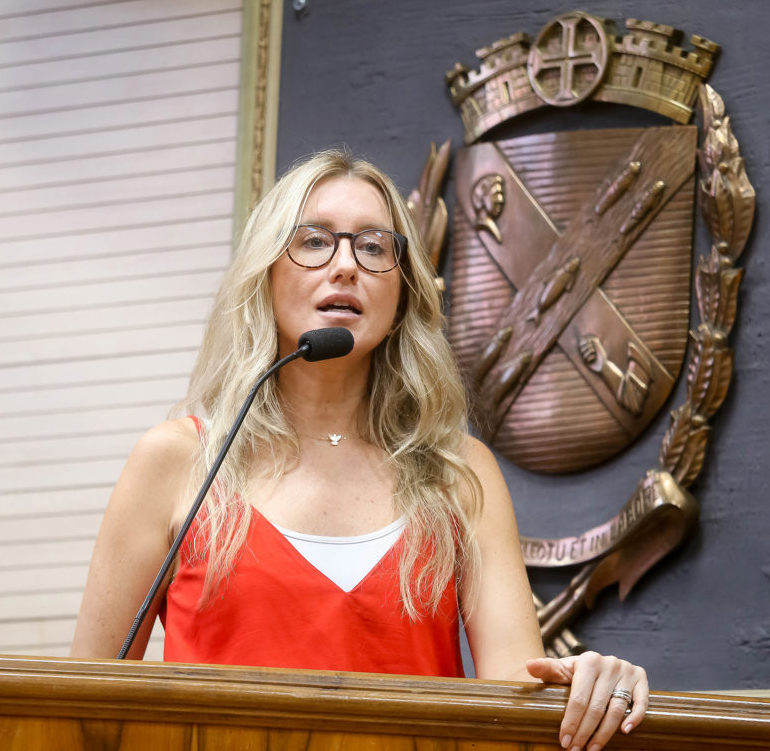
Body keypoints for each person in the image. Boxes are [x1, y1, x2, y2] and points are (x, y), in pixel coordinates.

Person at [71, 149, 648, 751]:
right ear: (265, 276)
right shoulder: (177, 461)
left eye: (373, 247)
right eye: (314, 241)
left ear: (402, 297)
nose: (345, 265)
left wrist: (591, 684)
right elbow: (78, 708)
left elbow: (516, 699)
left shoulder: (459, 472)